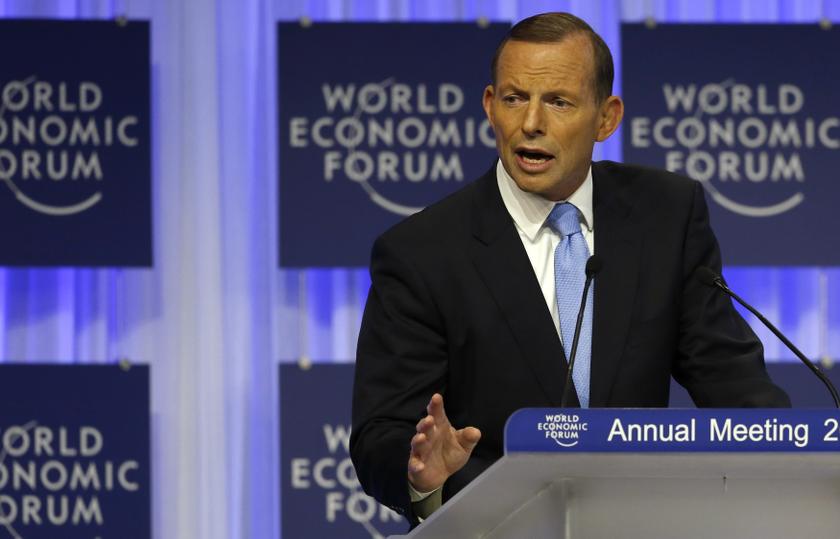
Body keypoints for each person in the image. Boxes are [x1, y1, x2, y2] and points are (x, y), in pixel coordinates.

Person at [350, 12, 790, 527]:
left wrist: (794, 452)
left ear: (606, 118)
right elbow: (382, 434)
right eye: (515, 98)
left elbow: (734, 386)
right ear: (490, 106)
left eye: (558, 102)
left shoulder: (665, 216)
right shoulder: (421, 252)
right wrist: (425, 476)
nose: (531, 123)